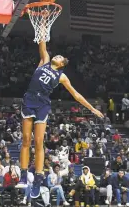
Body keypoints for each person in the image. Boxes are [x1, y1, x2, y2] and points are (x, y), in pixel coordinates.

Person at [20, 39, 103, 198]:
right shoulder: (44, 61)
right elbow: (42, 44)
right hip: (29, 99)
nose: (56, 56)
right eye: (56, 55)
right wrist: (43, 24)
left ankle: (38, 177)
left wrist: (92, 108)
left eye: (59, 57)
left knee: (38, 142)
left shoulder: (62, 76)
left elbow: (76, 95)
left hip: (43, 103)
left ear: (61, 64)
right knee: (25, 139)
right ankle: (24, 175)